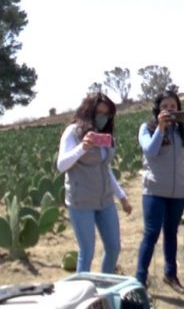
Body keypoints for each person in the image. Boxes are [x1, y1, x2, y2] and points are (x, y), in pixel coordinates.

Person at [56, 92, 132, 274]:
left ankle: (105, 284)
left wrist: (121, 196)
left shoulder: (106, 136)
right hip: (81, 201)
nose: (102, 117)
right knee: (87, 252)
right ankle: (83, 293)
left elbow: (105, 168)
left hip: (105, 199)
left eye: (107, 114)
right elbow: (61, 165)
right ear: (88, 111)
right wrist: (82, 147)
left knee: (114, 247)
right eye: (99, 112)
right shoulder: (73, 133)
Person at [135, 90, 184, 293]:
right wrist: (161, 129)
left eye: (173, 107)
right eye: (165, 107)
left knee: (171, 233)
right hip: (154, 191)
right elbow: (150, 150)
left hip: (179, 192)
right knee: (151, 234)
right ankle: (139, 279)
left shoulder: (182, 131)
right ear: (158, 110)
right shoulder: (146, 128)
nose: (169, 111)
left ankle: (170, 274)